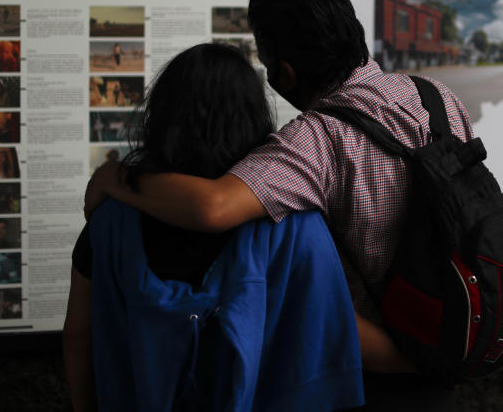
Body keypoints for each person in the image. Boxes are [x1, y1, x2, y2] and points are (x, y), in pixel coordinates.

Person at [85, 0, 472, 409]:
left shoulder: (314, 139)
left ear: (284, 74)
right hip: (451, 332)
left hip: (379, 373)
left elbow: (213, 206)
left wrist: (114, 177)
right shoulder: (435, 97)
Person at [66, 43, 363, 411]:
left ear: (161, 116)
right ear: (254, 117)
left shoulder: (110, 219)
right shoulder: (295, 223)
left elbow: (78, 335)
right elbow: (323, 347)